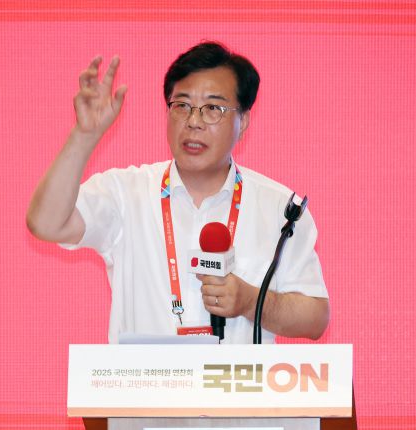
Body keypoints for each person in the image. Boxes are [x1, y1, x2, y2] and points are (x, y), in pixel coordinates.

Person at [26, 42, 329, 344]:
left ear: (244, 121)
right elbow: (45, 224)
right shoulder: (125, 193)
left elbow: (315, 317)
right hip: (144, 377)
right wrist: (84, 135)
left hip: (232, 378)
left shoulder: (279, 209)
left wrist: (250, 301)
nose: (193, 121)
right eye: (182, 105)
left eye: (213, 108)